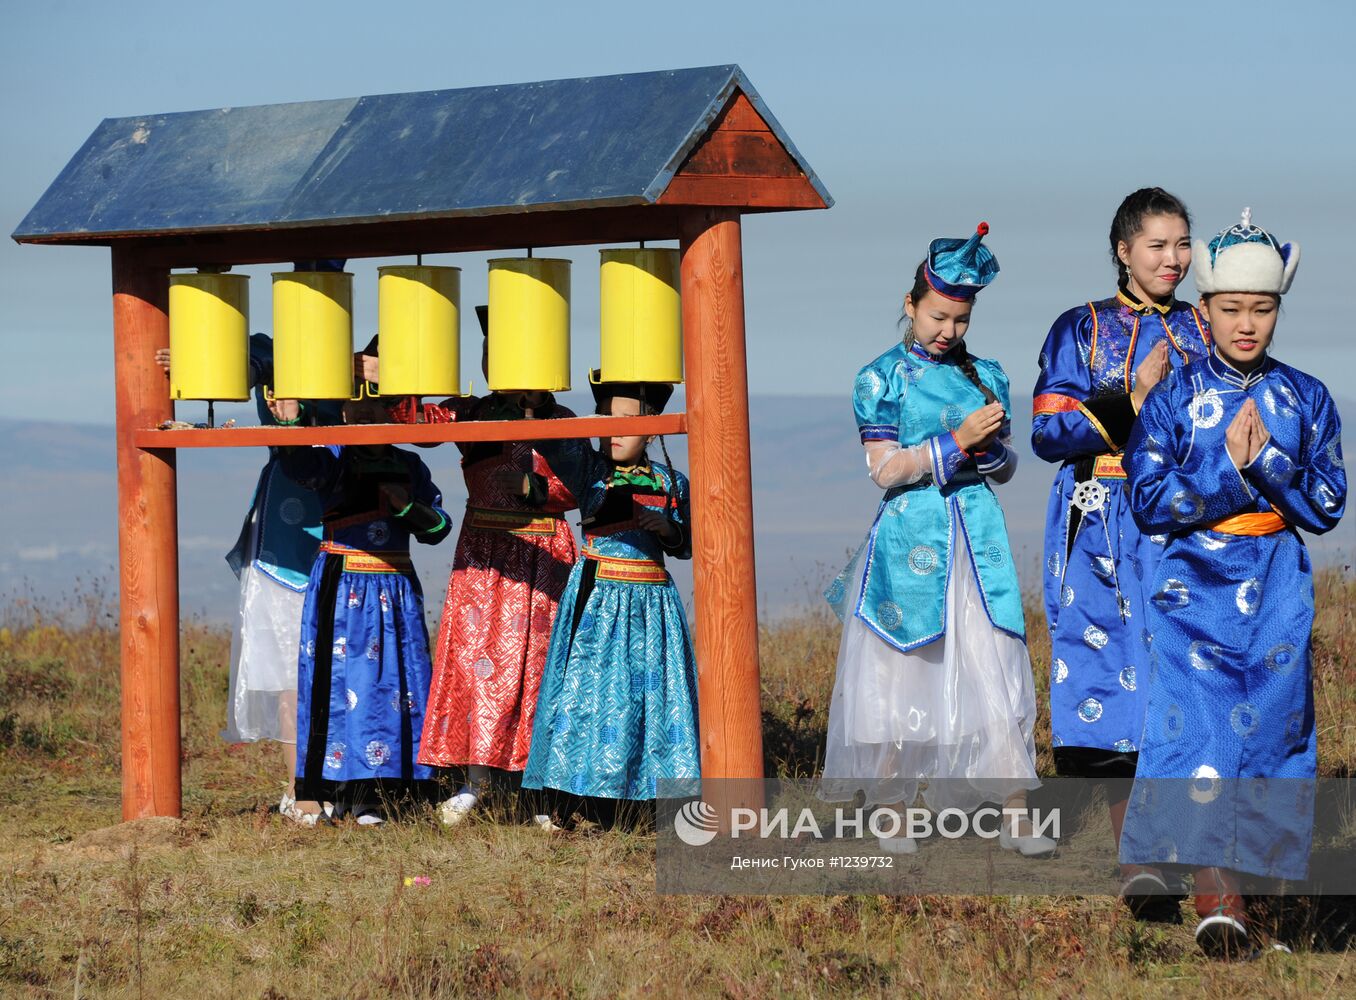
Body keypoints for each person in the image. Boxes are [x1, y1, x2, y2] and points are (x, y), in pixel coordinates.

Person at [1119, 209, 1344, 956]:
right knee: (1203, 730)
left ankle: (1251, 892)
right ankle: (1221, 899)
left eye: (1263, 308)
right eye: (1231, 309)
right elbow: (1146, 502)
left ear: (1278, 308)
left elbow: (1328, 503)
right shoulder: (1175, 397)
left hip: (1279, 585)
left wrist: (1267, 465)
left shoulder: (1308, 397)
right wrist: (1226, 470)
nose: (1247, 324)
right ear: (1205, 310)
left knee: (1277, 738)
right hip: (1193, 587)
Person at [820, 223, 1053, 857]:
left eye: (961, 319)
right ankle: (892, 811)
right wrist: (959, 442)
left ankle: (1016, 815)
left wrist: (992, 449)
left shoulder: (987, 375)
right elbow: (885, 471)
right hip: (910, 538)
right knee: (901, 671)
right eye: (938, 316)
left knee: (994, 665)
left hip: (977, 539)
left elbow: (1006, 467)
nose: (949, 331)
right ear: (910, 306)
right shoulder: (880, 378)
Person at [1031, 189, 1212, 901]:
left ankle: (1200, 861)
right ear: (1123, 250)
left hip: (1187, 520)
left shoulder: (1207, 327)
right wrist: (1130, 403)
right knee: (1107, 682)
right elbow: (1047, 432)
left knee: (1186, 672)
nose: (1173, 259)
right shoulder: (1079, 329)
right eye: (1158, 245)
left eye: (1182, 244)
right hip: (1101, 522)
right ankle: (1137, 861)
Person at [153, 260, 366, 827]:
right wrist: (200, 365)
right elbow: (229, 367)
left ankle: (355, 782)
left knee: (347, 663)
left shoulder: (358, 360)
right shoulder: (268, 351)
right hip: (283, 529)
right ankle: (302, 789)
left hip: (344, 514)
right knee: (285, 671)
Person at [410, 307, 582, 828]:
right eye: (490, 354)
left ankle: (546, 789)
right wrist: (383, 380)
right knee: (476, 664)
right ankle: (477, 781)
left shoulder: (565, 422)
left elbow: (583, 488)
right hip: (484, 555)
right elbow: (417, 427)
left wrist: (537, 491)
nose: (494, 365)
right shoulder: (472, 413)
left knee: (545, 666)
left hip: (543, 552)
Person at [520, 378, 699, 811]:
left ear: (654, 430)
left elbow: (689, 546)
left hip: (653, 602)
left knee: (651, 694)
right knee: (586, 692)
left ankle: (644, 797)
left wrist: (668, 529)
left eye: (628, 422)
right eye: (607, 421)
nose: (615, 432)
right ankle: (571, 797)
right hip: (598, 597)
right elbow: (556, 441)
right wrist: (540, 399)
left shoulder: (673, 481)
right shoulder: (590, 471)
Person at [276, 394, 453, 824]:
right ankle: (337, 788)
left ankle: (385, 792)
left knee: (399, 684)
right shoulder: (335, 453)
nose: (364, 412)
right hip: (342, 587)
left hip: (395, 587)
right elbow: (301, 469)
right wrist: (294, 422)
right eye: (354, 404)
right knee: (339, 684)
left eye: (375, 403)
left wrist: (405, 507)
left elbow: (439, 527)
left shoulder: (410, 464)